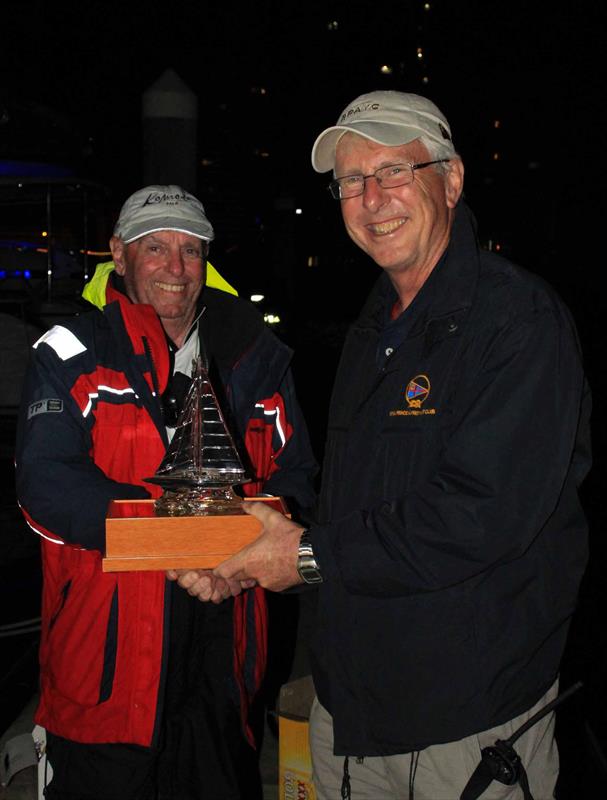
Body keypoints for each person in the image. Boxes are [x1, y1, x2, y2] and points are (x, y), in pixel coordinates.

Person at [209, 91, 592, 799]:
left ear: (449, 180)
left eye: (393, 171)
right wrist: (247, 552)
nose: (371, 197)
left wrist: (300, 556)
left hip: (467, 721)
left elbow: (480, 516)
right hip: (352, 708)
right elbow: (355, 504)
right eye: (351, 180)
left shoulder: (516, 320)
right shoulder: (374, 326)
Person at [15, 184, 318, 800]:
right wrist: (180, 539)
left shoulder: (254, 359)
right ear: (119, 256)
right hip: (103, 670)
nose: (175, 268)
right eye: (156, 248)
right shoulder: (72, 353)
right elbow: (46, 488)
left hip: (225, 655)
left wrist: (245, 561)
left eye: (190, 250)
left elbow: (297, 478)